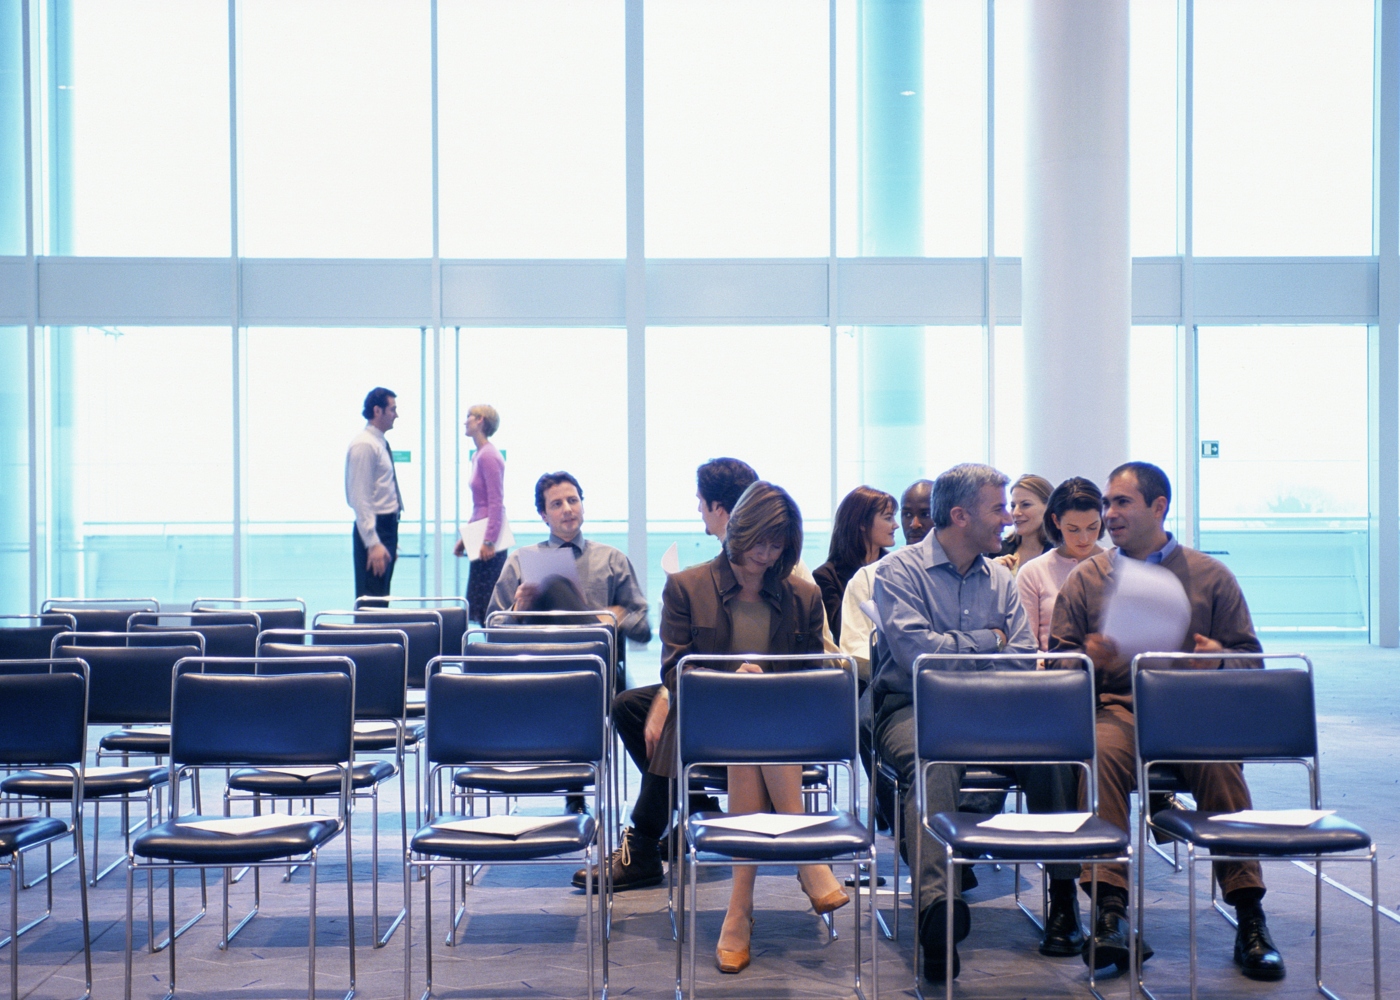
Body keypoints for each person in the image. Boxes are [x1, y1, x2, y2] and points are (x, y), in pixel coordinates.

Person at [1049, 461, 1283, 981]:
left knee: (1222, 768)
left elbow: (1253, 661)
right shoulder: (1088, 578)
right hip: (1120, 708)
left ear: (1159, 507)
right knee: (1101, 754)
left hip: (1192, 713)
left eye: (1121, 502)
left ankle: (1249, 915)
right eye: (1107, 503)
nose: (1109, 514)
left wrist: (1218, 654)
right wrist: (1087, 656)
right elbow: (1057, 664)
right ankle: (1110, 912)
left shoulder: (1210, 575)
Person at [871, 463, 1085, 981]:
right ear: (961, 515)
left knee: (1052, 753)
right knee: (933, 759)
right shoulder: (898, 572)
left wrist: (978, 651)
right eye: (997, 507)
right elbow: (918, 657)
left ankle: (1063, 902)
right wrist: (989, 642)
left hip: (995, 708)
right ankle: (937, 915)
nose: (1007, 517)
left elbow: (1024, 655)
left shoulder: (1002, 578)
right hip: (913, 707)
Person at [664, 482, 848, 974]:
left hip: (780, 731)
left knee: (757, 734)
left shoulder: (803, 597)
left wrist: (770, 687)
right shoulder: (687, 587)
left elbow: (811, 678)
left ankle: (738, 911)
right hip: (707, 726)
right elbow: (673, 671)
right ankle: (808, 862)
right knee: (750, 725)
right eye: (760, 543)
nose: (766, 556)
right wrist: (729, 678)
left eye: (778, 546)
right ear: (739, 531)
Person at [486, 471, 651, 644]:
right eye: (557, 504)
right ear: (544, 515)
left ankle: (591, 633)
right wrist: (517, 611)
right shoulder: (519, 561)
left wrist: (619, 617)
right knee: (553, 586)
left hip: (594, 663)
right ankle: (592, 630)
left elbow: (644, 630)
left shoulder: (612, 559)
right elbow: (491, 632)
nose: (567, 509)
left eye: (573, 501)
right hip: (539, 660)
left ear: (582, 506)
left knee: (553, 586)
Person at [1016, 477, 1106, 650]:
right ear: (1056, 521)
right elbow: (1025, 646)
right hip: (1052, 672)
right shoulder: (1033, 572)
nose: (1084, 538)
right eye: (1073, 529)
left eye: (1092, 527)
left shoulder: (1118, 563)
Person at [812, 486, 897, 643]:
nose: (895, 525)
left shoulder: (898, 567)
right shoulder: (826, 576)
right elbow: (843, 631)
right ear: (862, 524)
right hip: (856, 663)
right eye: (888, 518)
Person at [345, 387, 403, 598]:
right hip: (375, 527)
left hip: (385, 527)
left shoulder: (378, 442)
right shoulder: (364, 444)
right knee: (371, 600)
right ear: (377, 410)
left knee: (380, 597)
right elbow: (359, 497)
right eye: (393, 409)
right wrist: (373, 541)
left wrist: (388, 539)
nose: (396, 415)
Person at [453, 404, 507, 624]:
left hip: (489, 542)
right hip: (482, 535)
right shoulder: (479, 455)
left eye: (469, 417)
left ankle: (492, 654)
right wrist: (466, 538)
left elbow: (496, 501)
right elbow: (480, 504)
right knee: (480, 604)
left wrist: (489, 540)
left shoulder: (488, 456)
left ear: (481, 421)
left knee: (488, 607)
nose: (465, 421)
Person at [994, 474, 1053, 575]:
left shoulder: (1062, 554)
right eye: (1013, 506)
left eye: (1025, 505)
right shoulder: (997, 551)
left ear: (1048, 507)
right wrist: (991, 571)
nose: (1015, 513)